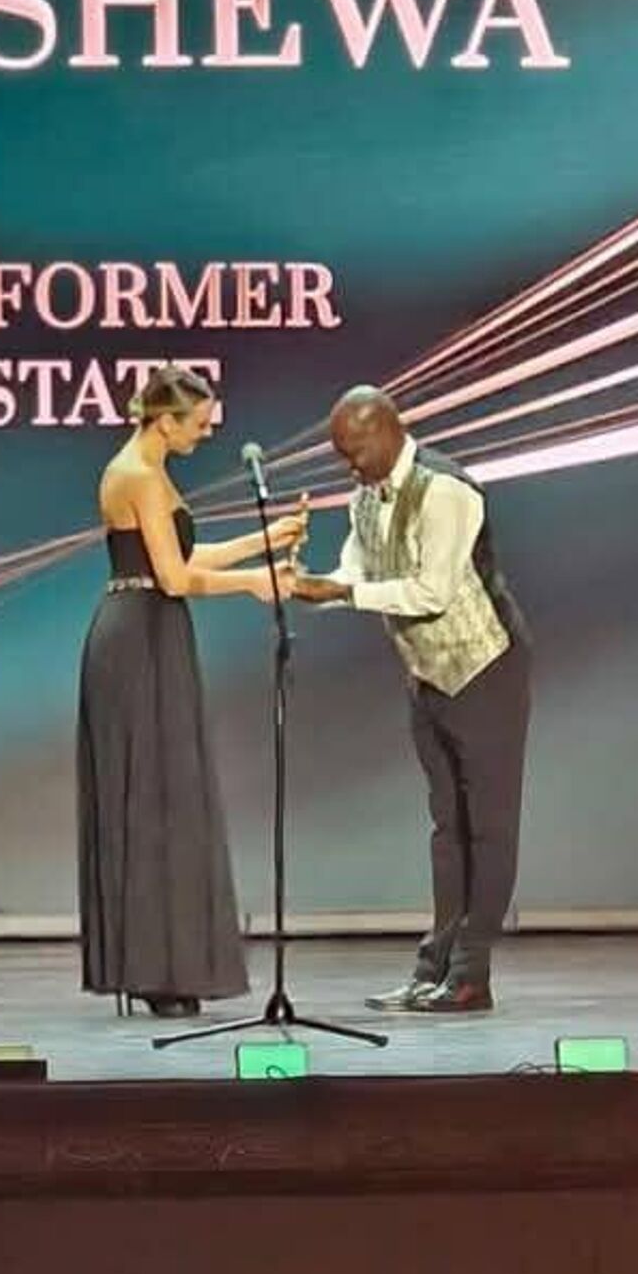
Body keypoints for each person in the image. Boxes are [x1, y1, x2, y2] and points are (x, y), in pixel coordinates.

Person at [295, 385, 531, 1014]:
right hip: (427, 674)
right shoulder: (365, 497)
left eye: (356, 451)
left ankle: (472, 975)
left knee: (487, 827)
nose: (350, 467)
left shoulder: (445, 490)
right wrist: (311, 585)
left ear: (388, 430)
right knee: (447, 826)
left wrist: (343, 595)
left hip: (484, 667)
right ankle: (435, 968)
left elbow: (432, 591)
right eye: (342, 456)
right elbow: (355, 571)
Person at [77, 364, 305, 1017]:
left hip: (154, 632)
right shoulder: (138, 475)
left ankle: (167, 965)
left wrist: (265, 543)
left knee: (170, 798)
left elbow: (176, 559)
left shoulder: (149, 470)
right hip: (138, 639)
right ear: (165, 420)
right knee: (151, 800)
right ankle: (154, 970)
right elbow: (174, 579)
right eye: (199, 424)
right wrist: (255, 582)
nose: (206, 434)